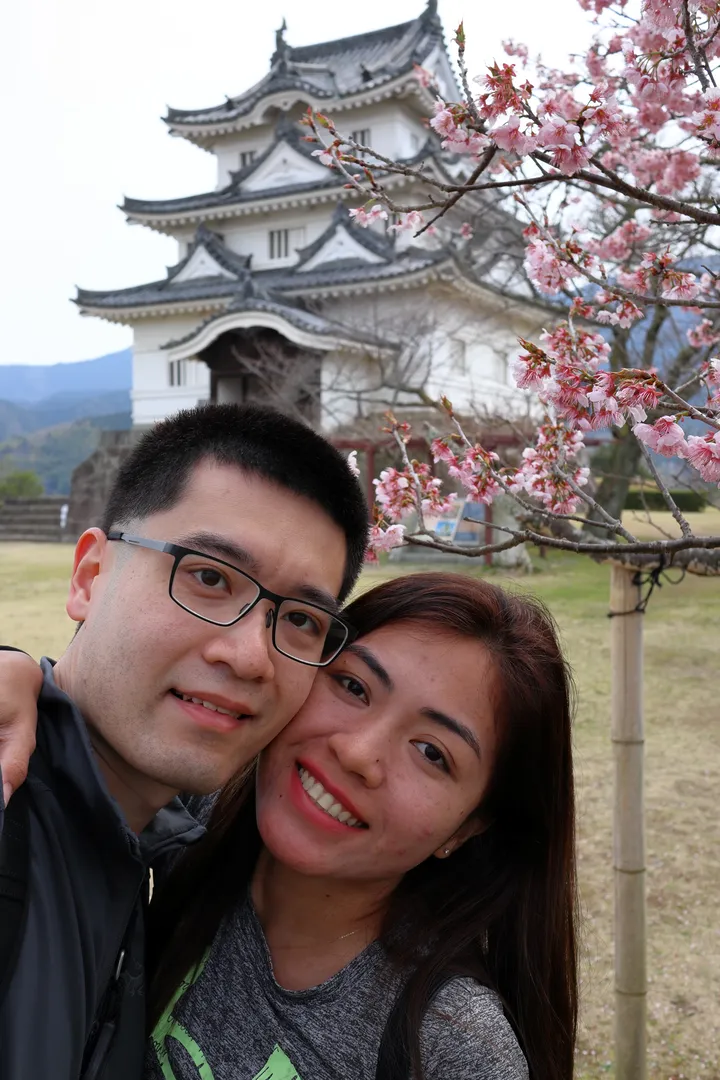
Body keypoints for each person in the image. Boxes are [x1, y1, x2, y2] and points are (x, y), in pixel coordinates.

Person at [0, 402, 368, 1080]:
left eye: (301, 620)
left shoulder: (165, 846)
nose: (252, 657)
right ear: (89, 577)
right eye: (207, 577)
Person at [144, 573, 578, 1080]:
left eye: (432, 753)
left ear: (469, 827)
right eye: (353, 686)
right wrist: (27, 675)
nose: (356, 754)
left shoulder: (451, 1049)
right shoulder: (189, 813)